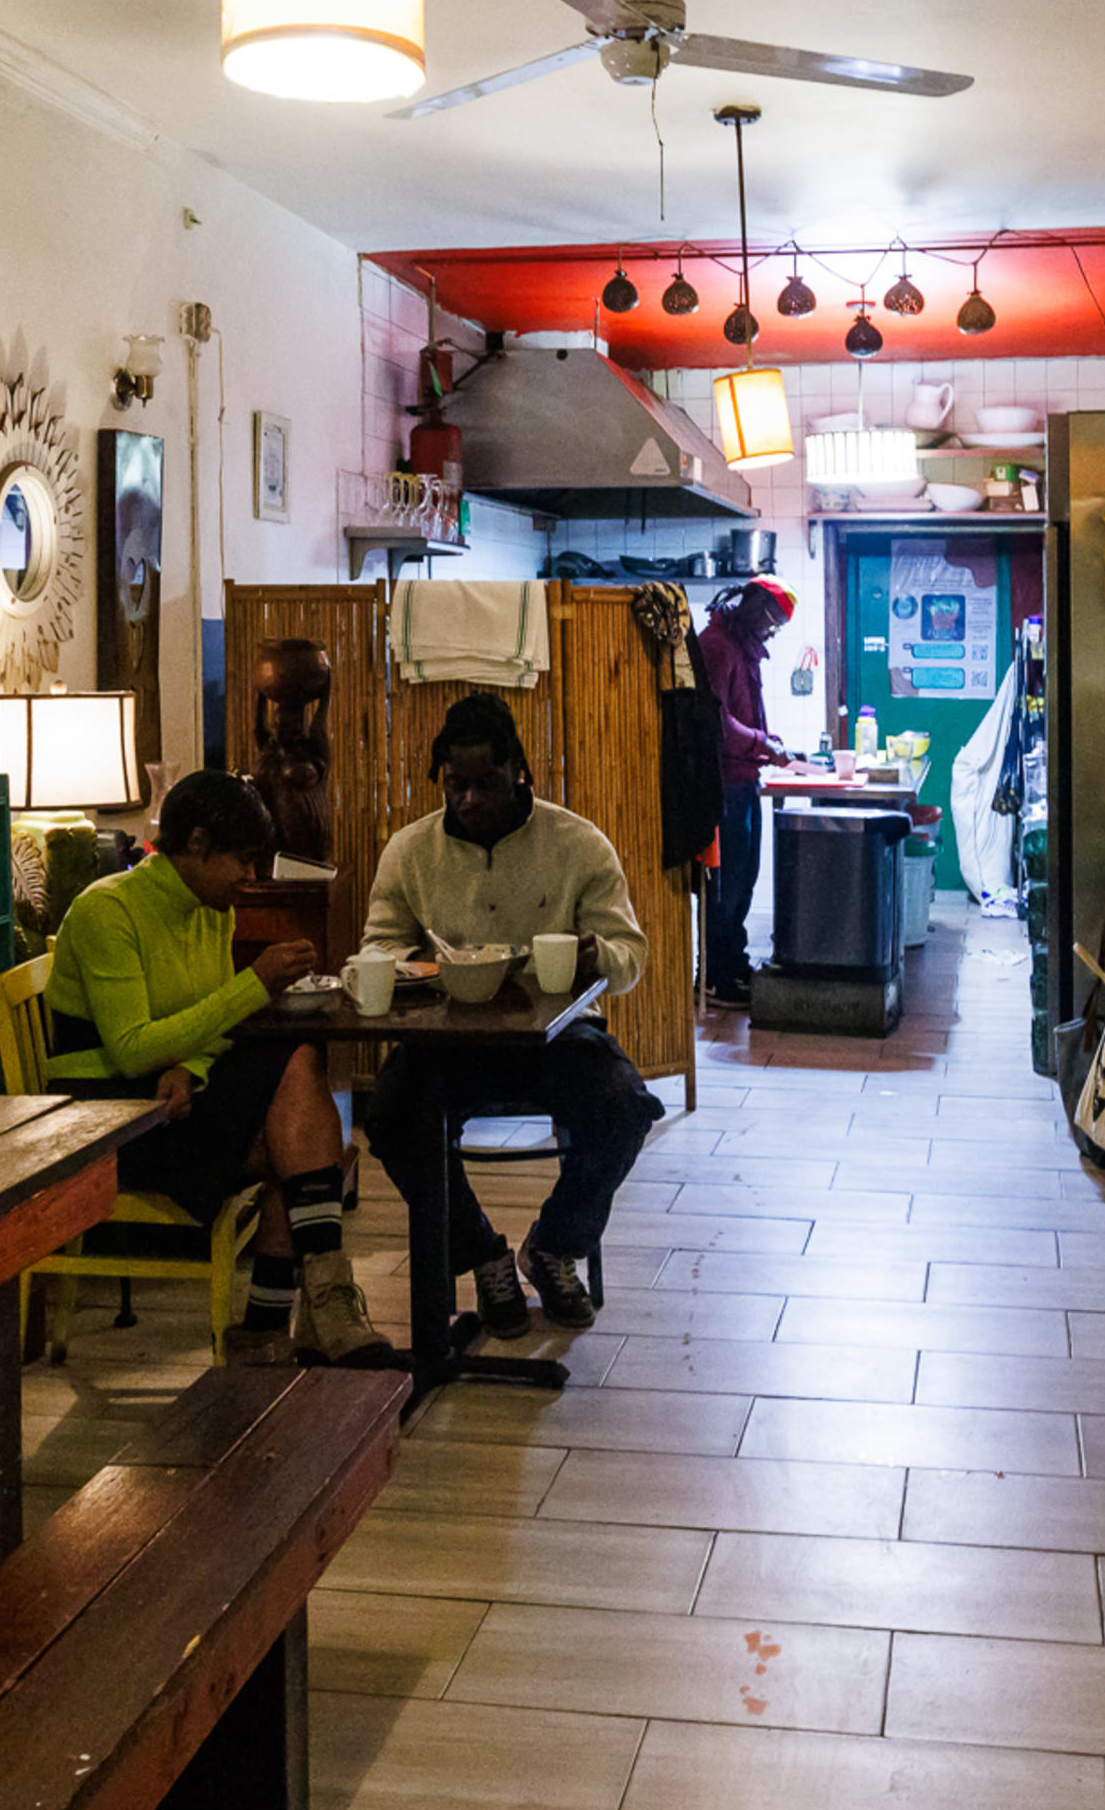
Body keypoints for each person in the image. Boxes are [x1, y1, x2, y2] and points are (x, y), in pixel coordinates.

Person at [43, 769, 388, 1365]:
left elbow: (202, 1025)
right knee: (297, 1133)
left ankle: (280, 1325)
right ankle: (298, 1316)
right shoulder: (108, 910)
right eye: (243, 859)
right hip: (105, 1118)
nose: (250, 877)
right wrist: (253, 986)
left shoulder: (211, 906)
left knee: (295, 1088)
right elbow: (130, 1050)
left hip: (167, 1095)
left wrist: (193, 1068)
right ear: (196, 843)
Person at [358, 692, 663, 1337]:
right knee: (388, 1113)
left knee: (624, 1107)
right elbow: (378, 945)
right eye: (455, 785)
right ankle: (482, 1256)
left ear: (519, 771)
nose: (469, 800)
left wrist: (592, 955)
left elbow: (631, 957)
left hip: (554, 1040)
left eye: (486, 784)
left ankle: (553, 1246)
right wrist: (418, 964)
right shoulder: (410, 852)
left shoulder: (578, 844)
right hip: (449, 1040)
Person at [691, 582, 793, 1004]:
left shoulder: (740, 647)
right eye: (773, 622)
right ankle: (714, 976)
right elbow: (715, 723)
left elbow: (740, 716)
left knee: (743, 881)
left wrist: (766, 741)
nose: (772, 633)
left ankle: (733, 963)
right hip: (722, 785)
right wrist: (762, 743)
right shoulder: (717, 646)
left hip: (743, 783)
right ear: (756, 609)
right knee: (724, 887)